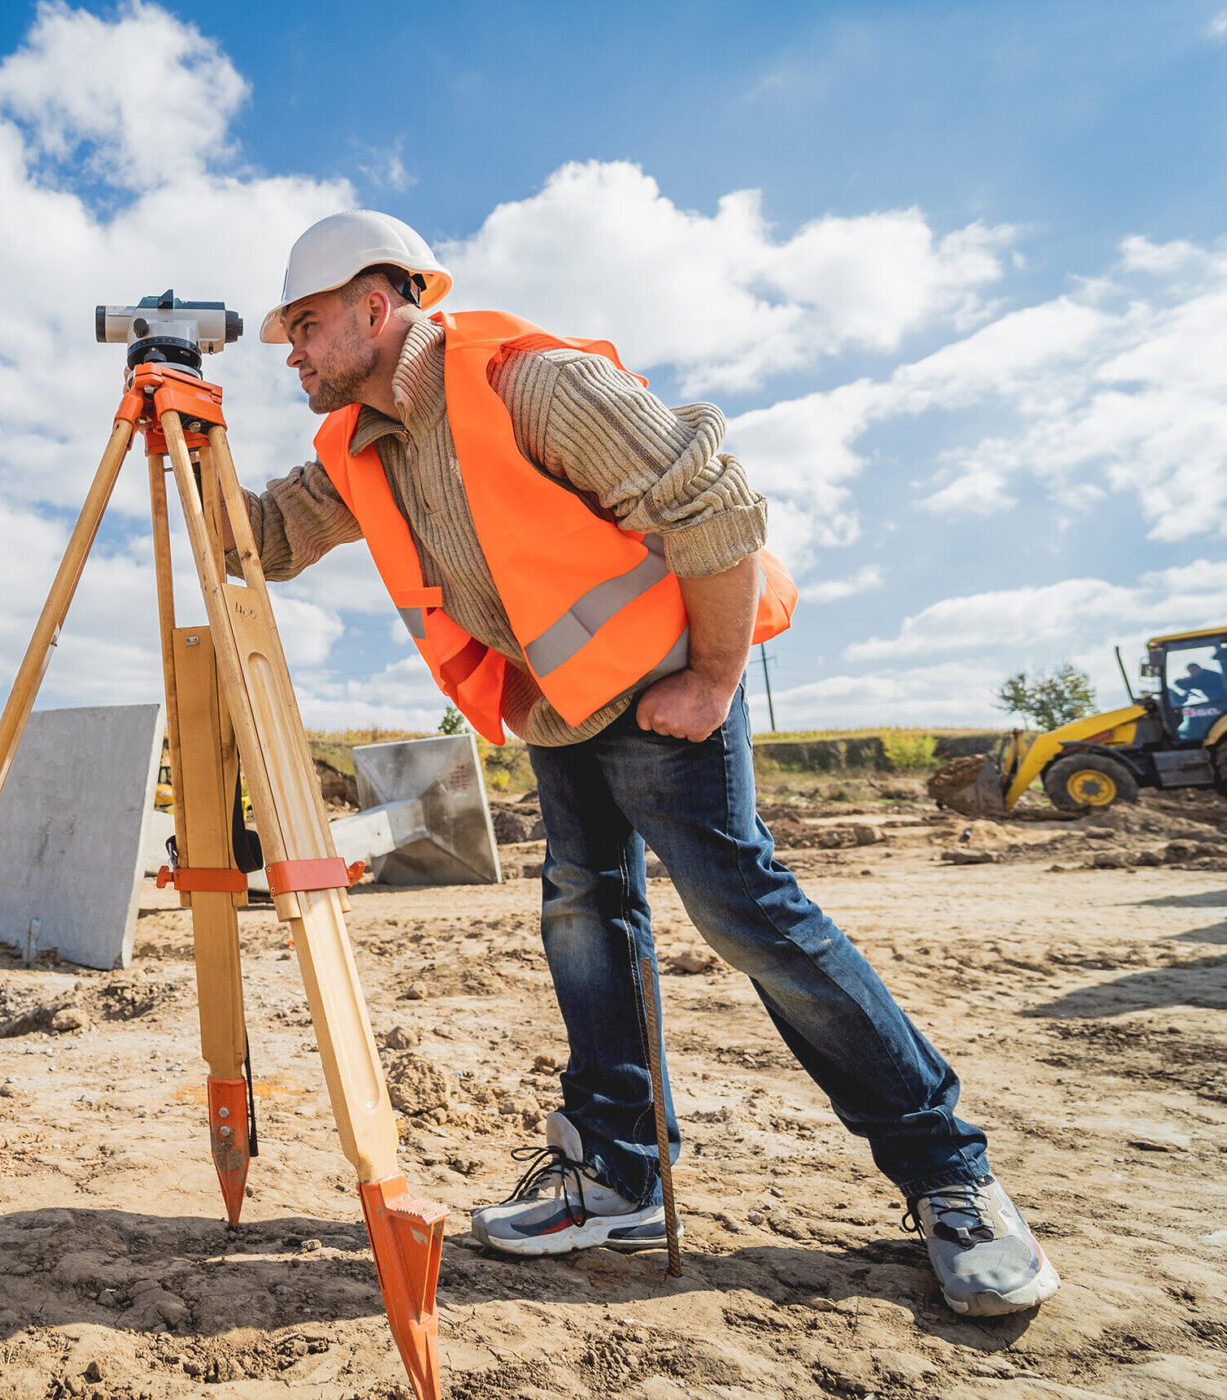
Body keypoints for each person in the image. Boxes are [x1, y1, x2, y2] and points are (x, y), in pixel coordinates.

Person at [233, 210, 1059, 1317]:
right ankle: (617, 1173)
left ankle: (950, 1173)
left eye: (307, 324)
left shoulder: (527, 382)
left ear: (377, 308)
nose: (292, 349)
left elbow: (715, 500)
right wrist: (176, 432)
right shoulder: (357, 443)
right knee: (583, 910)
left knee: (745, 914)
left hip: (670, 689)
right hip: (562, 713)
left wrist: (715, 677)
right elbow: (269, 538)